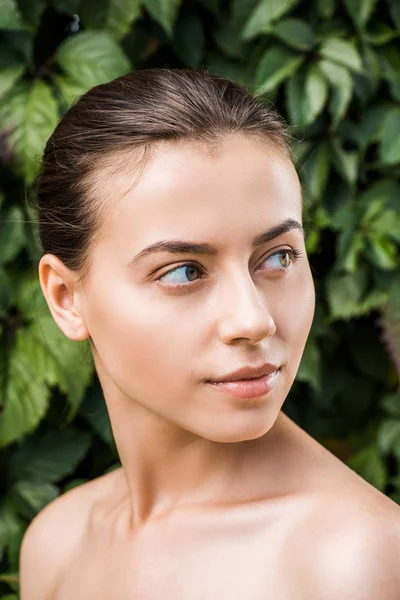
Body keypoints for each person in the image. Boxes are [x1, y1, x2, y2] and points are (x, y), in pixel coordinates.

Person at [19, 68, 400, 599]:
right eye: (183, 271)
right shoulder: (57, 543)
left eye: (278, 257)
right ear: (66, 298)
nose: (254, 320)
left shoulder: (357, 562)